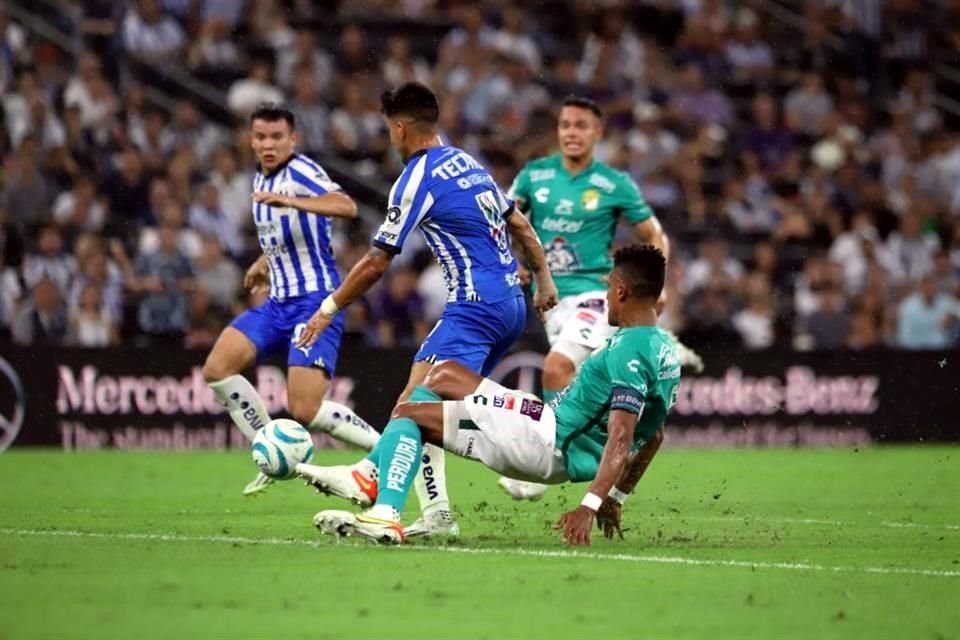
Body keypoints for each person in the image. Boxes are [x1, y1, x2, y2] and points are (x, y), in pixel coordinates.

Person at [295, 82, 557, 539]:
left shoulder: (416, 178)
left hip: (474, 309)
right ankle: (425, 507)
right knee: (421, 407)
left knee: (416, 407)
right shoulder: (467, 162)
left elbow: (378, 260)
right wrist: (545, 278)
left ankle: (384, 506)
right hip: (509, 306)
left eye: (388, 130)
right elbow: (518, 221)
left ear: (399, 128)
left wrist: (329, 307)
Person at [304, 245, 679, 545]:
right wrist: (617, 497)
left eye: (608, 288)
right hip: (542, 421)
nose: (606, 300)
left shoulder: (629, 350)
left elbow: (622, 436)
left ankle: (385, 509)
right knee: (444, 375)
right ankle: (423, 507)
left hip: (543, 442)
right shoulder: (663, 350)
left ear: (621, 290)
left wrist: (589, 505)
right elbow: (654, 435)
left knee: (409, 413)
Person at [499, 95, 700, 501]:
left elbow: (654, 236)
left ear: (598, 133)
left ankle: (550, 460)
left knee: (556, 369)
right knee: (590, 384)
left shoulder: (614, 184)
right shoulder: (534, 176)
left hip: (596, 297)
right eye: (565, 125)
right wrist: (510, 261)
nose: (572, 133)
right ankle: (650, 378)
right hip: (552, 300)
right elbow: (500, 221)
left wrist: (653, 288)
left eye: (581, 126)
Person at [201, 103, 380, 496]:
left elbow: (345, 206)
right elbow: (290, 232)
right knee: (217, 369)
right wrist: (265, 260)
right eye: (262, 137)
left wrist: (295, 201)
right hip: (277, 304)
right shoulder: (259, 178)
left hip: (314, 303)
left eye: (277, 137)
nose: (269, 145)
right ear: (251, 140)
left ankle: (385, 449)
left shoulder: (302, 172)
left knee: (305, 410)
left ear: (292, 139)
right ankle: (272, 448)